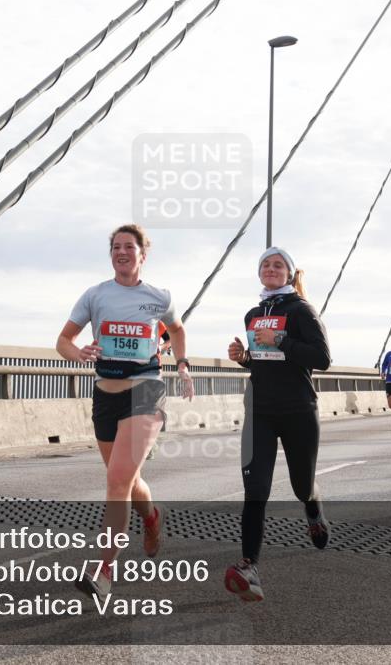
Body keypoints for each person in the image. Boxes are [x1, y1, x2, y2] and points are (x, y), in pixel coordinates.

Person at [57, 224, 194, 599]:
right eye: (115, 247)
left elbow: (177, 330)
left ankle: (104, 571)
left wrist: (182, 363)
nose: (121, 252)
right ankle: (151, 518)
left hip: (145, 393)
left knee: (117, 481)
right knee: (128, 482)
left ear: (142, 254)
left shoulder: (158, 297)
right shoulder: (95, 295)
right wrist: (79, 353)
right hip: (105, 395)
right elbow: (63, 341)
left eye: (128, 247)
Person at [224, 247, 331, 602]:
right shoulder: (253, 314)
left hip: (298, 409)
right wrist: (244, 358)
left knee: (302, 485)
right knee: (255, 492)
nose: (271, 269)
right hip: (261, 411)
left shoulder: (301, 310)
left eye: (278, 265)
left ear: (289, 273)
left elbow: (322, 358)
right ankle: (249, 567)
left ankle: (312, 506)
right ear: (259, 274)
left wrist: (283, 338)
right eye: (266, 265)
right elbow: (263, 361)